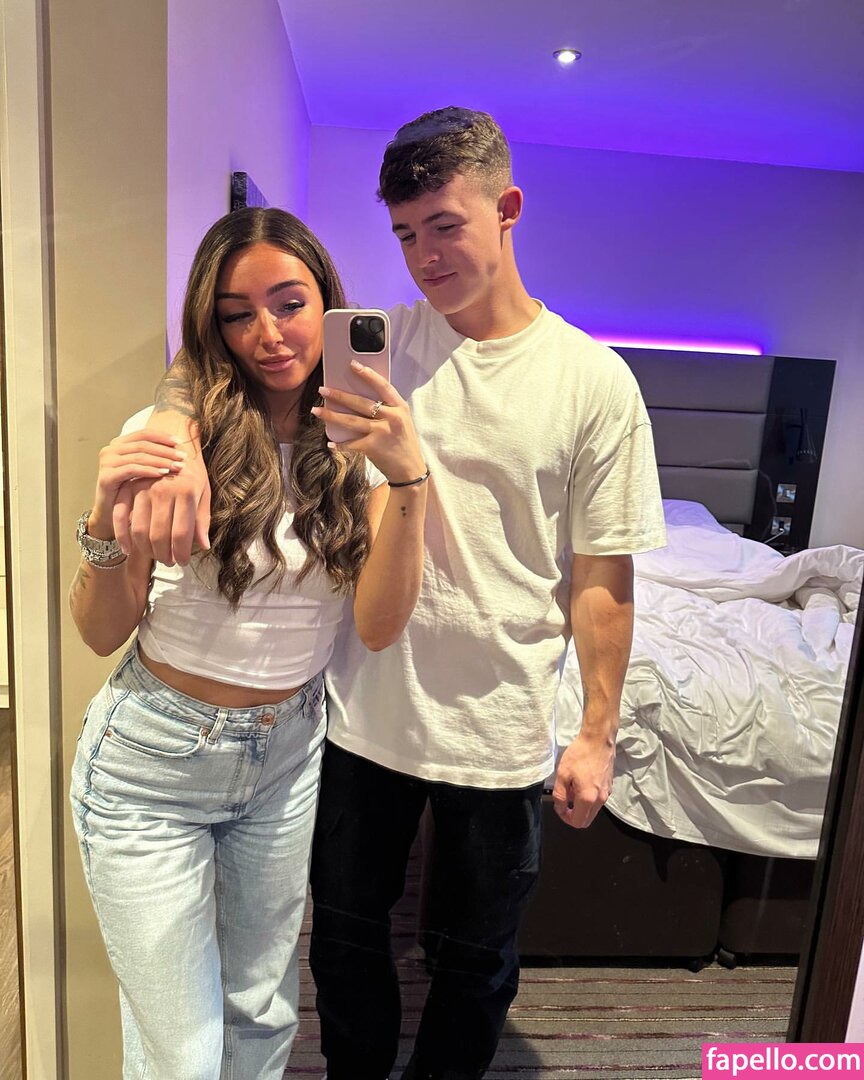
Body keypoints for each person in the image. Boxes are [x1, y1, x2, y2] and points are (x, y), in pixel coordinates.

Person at [117, 107, 666, 1080]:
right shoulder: (371, 348)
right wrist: (171, 429)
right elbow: (217, 358)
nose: (424, 257)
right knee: (344, 944)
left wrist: (596, 729)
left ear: (508, 209)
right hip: (360, 713)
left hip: (499, 725)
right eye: (406, 234)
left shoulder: (594, 382)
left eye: (445, 226)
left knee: (476, 960)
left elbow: (601, 574)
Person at [68, 206, 429, 1080]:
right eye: (238, 314)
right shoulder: (173, 436)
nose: (267, 335)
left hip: (286, 761)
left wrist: (409, 476)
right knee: (184, 1058)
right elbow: (100, 631)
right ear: (213, 326)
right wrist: (103, 520)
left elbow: (378, 626)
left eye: (289, 304)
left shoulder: (361, 443)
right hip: (152, 764)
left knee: (262, 1016)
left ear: (328, 303)